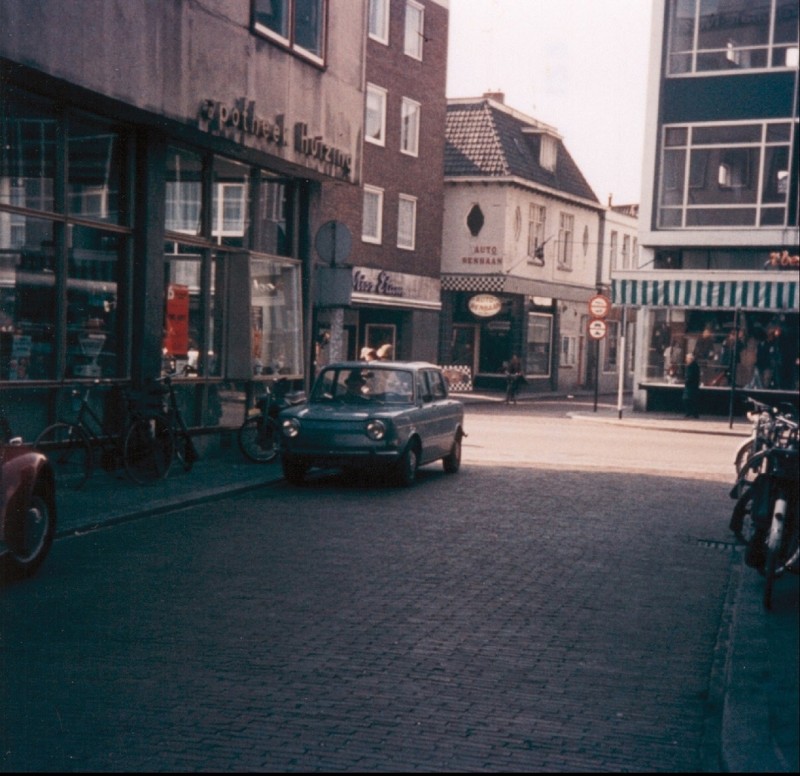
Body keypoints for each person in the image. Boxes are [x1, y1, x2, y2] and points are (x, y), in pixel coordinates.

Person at [683, 353, 700, 418]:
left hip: (691, 385)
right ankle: (692, 413)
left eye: (687, 359)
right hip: (692, 385)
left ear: (690, 359)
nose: (686, 360)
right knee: (691, 400)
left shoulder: (691, 366)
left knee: (688, 399)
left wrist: (687, 381)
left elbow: (690, 376)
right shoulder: (693, 366)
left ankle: (691, 413)